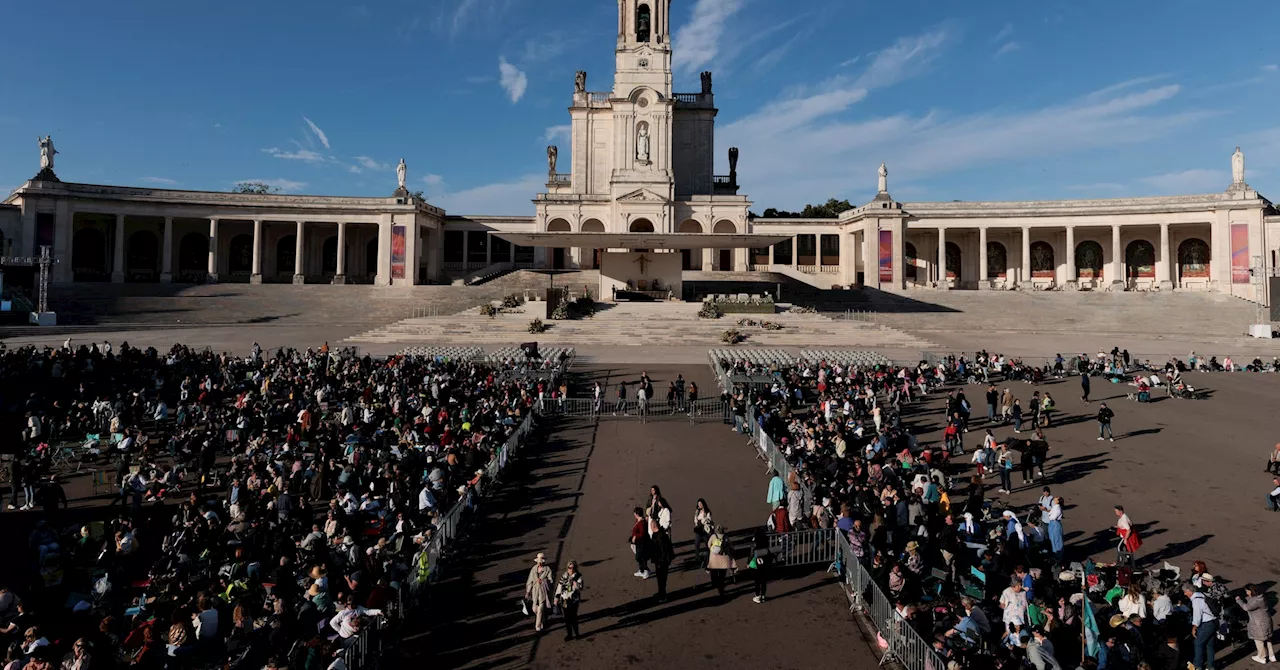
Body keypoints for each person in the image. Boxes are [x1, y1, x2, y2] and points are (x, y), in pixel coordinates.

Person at [1235, 584, 1277, 664]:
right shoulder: (1261, 597)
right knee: (1267, 638)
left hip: (1258, 624)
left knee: (1258, 640)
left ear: (1251, 591)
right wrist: (1247, 598)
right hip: (1266, 621)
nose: (1247, 593)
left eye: (1247, 591)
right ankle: (1272, 656)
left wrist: (1239, 600)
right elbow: (1252, 601)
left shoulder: (1256, 601)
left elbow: (1246, 607)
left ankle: (1262, 657)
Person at [1185, 584, 1217, 670]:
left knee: (1198, 644)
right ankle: (1210, 666)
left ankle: (1197, 666)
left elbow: (1197, 616)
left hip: (1206, 624)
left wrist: (1194, 627)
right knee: (1209, 646)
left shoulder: (1196, 601)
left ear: (1189, 591)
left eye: (1185, 591)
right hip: (1213, 622)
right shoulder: (1202, 595)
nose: (1185, 594)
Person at [554, 560, 584, 641]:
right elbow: (559, 587)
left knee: (573, 617)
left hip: (573, 600)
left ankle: (577, 634)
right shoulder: (564, 576)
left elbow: (580, 588)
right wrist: (556, 598)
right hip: (564, 599)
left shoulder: (578, 576)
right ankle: (569, 634)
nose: (571, 569)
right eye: (569, 568)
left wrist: (574, 582)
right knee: (567, 618)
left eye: (573, 568)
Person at [525, 552, 553, 632]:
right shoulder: (534, 569)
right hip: (535, 592)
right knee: (535, 609)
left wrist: (544, 581)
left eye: (541, 562)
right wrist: (528, 591)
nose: (539, 563)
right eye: (538, 562)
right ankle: (542, 619)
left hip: (543, 592)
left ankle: (537, 626)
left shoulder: (547, 569)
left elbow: (551, 580)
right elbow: (530, 581)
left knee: (540, 608)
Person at [705, 524, 736, 597]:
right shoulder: (725, 538)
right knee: (722, 576)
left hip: (714, 559)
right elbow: (731, 546)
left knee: (714, 573)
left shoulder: (713, 537)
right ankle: (721, 589)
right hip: (723, 560)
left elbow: (709, 545)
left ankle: (714, 583)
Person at [649, 518, 674, 602]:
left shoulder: (660, 536)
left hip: (661, 561)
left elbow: (663, 550)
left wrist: (661, 560)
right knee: (660, 579)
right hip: (660, 560)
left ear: (653, 526)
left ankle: (663, 596)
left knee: (661, 579)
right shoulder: (660, 534)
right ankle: (661, 592)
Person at [749, 528, 771, 604]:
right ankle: (763, 595)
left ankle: (757, 595)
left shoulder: (755, 542)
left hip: (757, 563)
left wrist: (748, 562)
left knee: (757, 581)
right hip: (765, 563)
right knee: (763, 581)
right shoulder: (766, 541)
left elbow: (751, 553)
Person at [629, 507, 650, 579]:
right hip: (638, 542)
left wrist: (635, 536)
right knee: (640, 557)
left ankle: (646, 570)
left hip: (641, 542)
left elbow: (642, 533)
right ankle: (641, 571)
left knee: (639, 557)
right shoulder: (639, 520)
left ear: (637, 514)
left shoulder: (641, 522)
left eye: (634, 513)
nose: (634, 514)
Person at [692, 499, 713, 567]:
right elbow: (695, 519)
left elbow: (709, 520)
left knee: (708, 544)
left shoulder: (707, 512)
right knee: (697, 544)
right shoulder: (697, 511)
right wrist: (696, 522)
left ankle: (711, 557)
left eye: (700, 504)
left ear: (703, 504)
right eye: (698, 504)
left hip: (704, 530)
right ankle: (697, 557)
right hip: (699, 530)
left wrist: (703, 521)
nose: (699, 505)